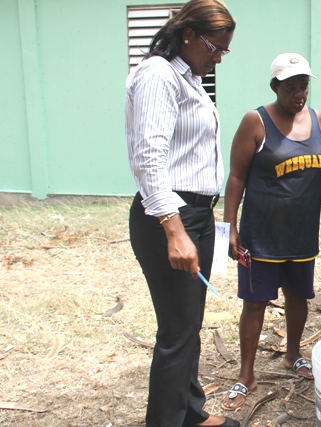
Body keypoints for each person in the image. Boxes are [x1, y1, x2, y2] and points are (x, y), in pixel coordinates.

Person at [220, 53, 321, 411]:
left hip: (302, 231)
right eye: (291, 88)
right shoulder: (255, 122)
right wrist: (229, 228)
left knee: (298, 295)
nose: (299, 94)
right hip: (261, 234)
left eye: (304, 87)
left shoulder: (316, 118)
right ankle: (246, 375)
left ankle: (293, 354)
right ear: (275, 87)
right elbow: (236, 177)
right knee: (254, 303)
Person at [125, 1, 239, 426]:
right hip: (169, 218)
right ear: (187, 34)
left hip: (195, 215)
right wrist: (174, 230)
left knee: (189, 324)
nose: (217, 58)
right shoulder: (158, 74)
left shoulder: (187, 77)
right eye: (214, 48)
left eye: (224, 52)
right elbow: (149, 157)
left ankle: (190, 412)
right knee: (176, 331)